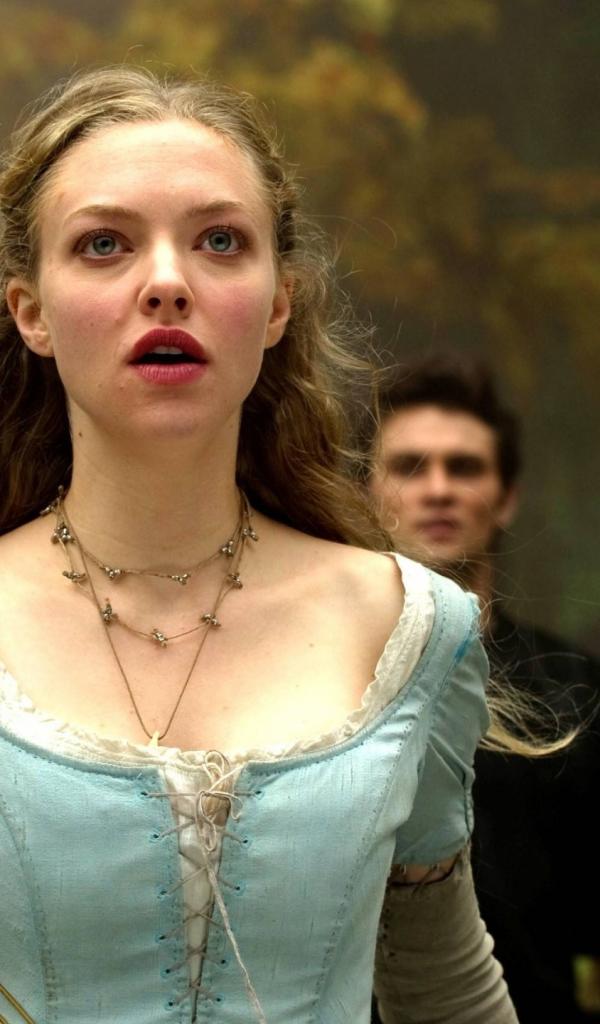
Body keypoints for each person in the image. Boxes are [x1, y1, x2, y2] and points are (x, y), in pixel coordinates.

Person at [0, 68, 518, 1023]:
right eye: (105, 243)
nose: (167, 283)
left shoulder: (412, 627)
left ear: (278, 304)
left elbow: (445, 988)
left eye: (220, 241)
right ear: (31, 311)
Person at [369, 353, 600, 1024]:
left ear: (506, 497)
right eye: (410, 467)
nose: (438, 489)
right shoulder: (319, 676)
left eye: (464, 467)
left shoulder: (577, 688)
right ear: (366, 490)